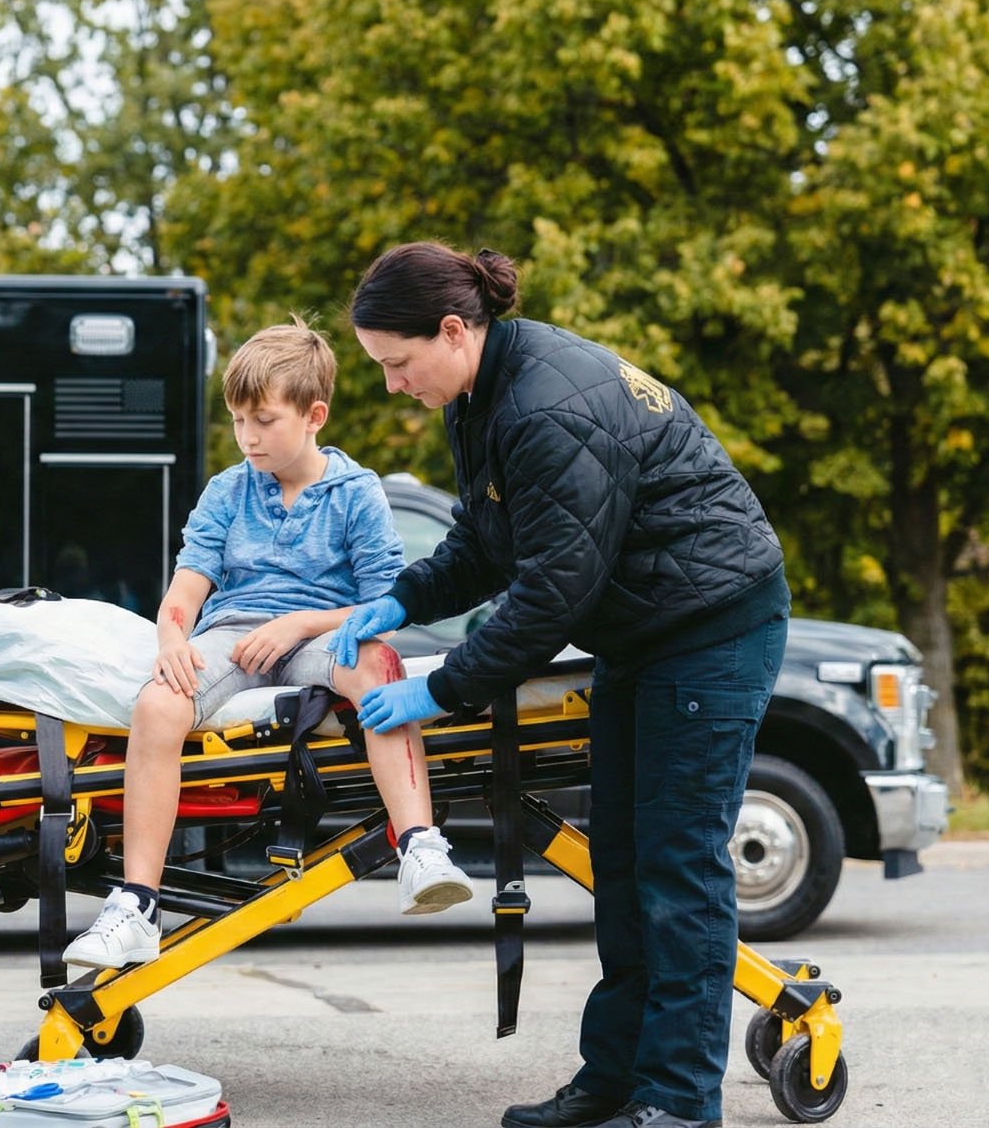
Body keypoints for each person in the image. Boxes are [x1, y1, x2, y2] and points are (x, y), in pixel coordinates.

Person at [333, 242, 789, 1128]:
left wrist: (442, 690)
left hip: (711, 632)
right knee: (619, 866)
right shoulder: (482, 394)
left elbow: (549, 596)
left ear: (454, 330)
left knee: (677, 872)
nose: (392, 385)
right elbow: (482, 544)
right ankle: (613, 1082)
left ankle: (680, 1103)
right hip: (646, 635)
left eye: (396, 363)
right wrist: (400, 599)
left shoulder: (544, 407)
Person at [63, 319, 473, 971]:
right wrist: (172, 635)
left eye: (263, 420)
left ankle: (420, 846)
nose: (248, 438)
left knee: (377, 660)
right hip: (230, 637)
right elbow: (186, 589)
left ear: (314, 415)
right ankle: (137, 906)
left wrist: (299, 625)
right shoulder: (228, 491)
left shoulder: (357, 492)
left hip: (324, 635)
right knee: (157, 704)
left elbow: (384, 609)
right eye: (238, 422)